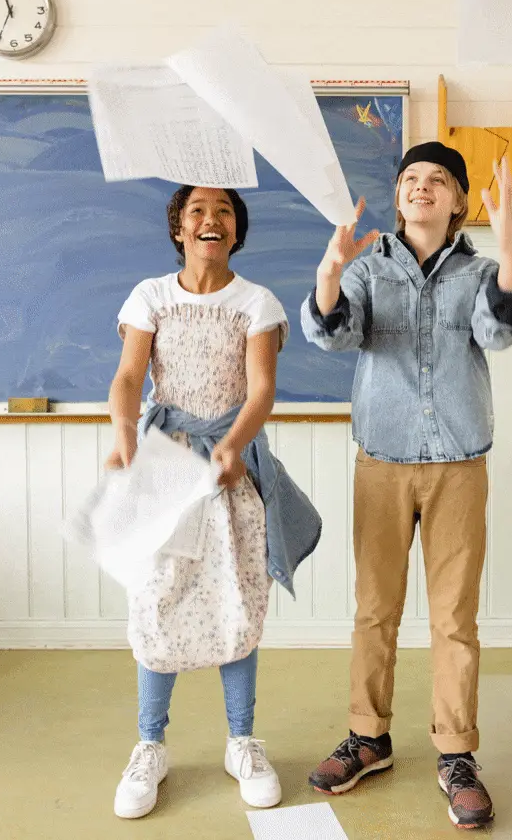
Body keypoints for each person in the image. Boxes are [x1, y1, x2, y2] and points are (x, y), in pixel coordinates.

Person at [300, 142, 512, 830]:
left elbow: (499, 332)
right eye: (410, 180)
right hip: (383, 463)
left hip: (460, 463)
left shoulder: (483, 270)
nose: (422, 188)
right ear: (398, 198)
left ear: (460, 200)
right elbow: (335, 338)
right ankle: (368, 737)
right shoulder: (367, 269)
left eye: (437, 180)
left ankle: (456, 753)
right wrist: (328, 276)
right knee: (375, 610)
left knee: (455, 619)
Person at [107, 184, 321, 819]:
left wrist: (231, 446)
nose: (211, 219)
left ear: (236, 230)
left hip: (231, 472)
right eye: (197, 211)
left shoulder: (255, 303)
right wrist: (124, 438)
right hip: (165, 468)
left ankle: (242, 742)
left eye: (224, 211)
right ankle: (150, 745)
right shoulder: (150, 296)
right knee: (156, 600)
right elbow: (127, 377)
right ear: (179, 228)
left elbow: (260, 390)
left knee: (237, 599)